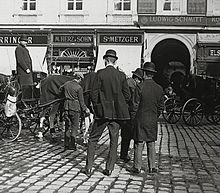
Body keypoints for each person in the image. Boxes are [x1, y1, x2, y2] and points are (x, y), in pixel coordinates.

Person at [81, 49, 131, 176]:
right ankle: (109, 169)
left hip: (102, 113)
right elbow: (127, 95)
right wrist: (118, 104)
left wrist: (97, 107)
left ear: (105, 60)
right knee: (114, 141)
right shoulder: (121, 75)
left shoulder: (100, 73)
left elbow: (94, 93)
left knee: (93, 139)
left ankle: (89, 168)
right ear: (115, 61)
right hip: (117, 114)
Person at [129, 62, 164, 174]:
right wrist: (155, 115)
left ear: (144, 73)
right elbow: (161, 107)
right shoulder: (159, 88)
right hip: (152, 119)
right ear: (153, 74)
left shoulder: (140, 87)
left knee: (138, 143)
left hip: (140, 119)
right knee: (151, 143)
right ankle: (152, 167)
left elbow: (134, 106)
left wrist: (133, 119)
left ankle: (137, 167)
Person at [60, 72, 90, 150]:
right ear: (79, 78)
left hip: (66, 106)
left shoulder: (66, 84)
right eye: (81, 80)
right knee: (74, 126)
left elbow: (60, 89)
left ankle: (66, 144)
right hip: (75, 108)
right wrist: (85, 109)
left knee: (67, 126)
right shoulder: (78, 88)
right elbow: (81, 101)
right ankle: (72, 145)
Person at [120, 68, 144, 163]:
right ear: (137, 79)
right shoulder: (133, 85)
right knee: (132, 134)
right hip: (130, 112)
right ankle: (130, 156)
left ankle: (123, 154)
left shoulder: (127, 81)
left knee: (125, 136)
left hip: (124, 112)